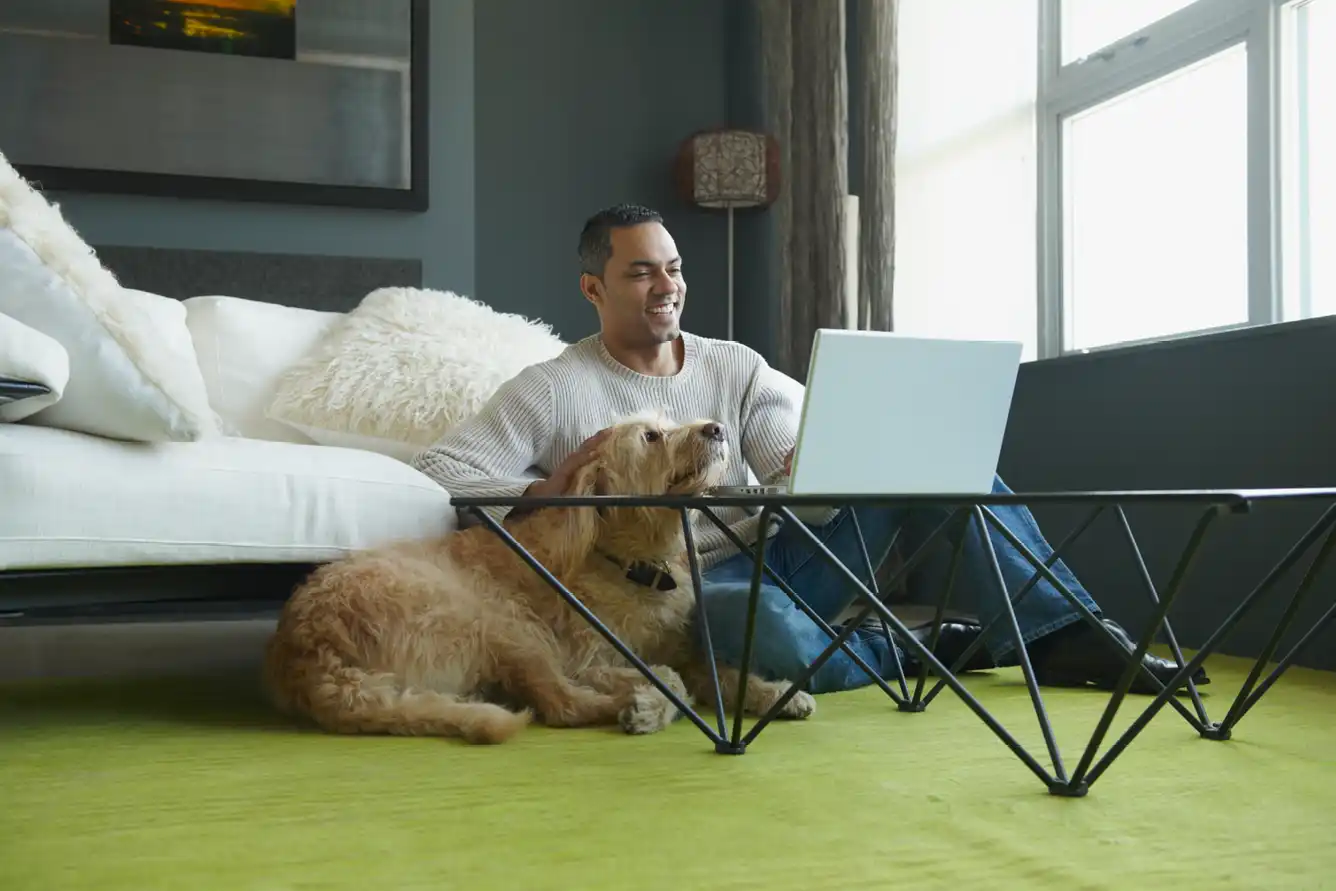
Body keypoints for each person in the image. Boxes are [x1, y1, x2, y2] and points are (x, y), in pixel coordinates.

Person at [411, 203, 1207, 696]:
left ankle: (1071, 636)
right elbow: (442, 474)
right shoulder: (553, 388)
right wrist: (562, 482)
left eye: (676, 270)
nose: (667, 287)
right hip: (685, 585)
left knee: (947, 466)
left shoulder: (737, 364)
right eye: (642, 273)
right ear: (593, 288)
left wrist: (811, 464)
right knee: (772, 637)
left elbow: (787, 455)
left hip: (782, 547)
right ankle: (917, 649)